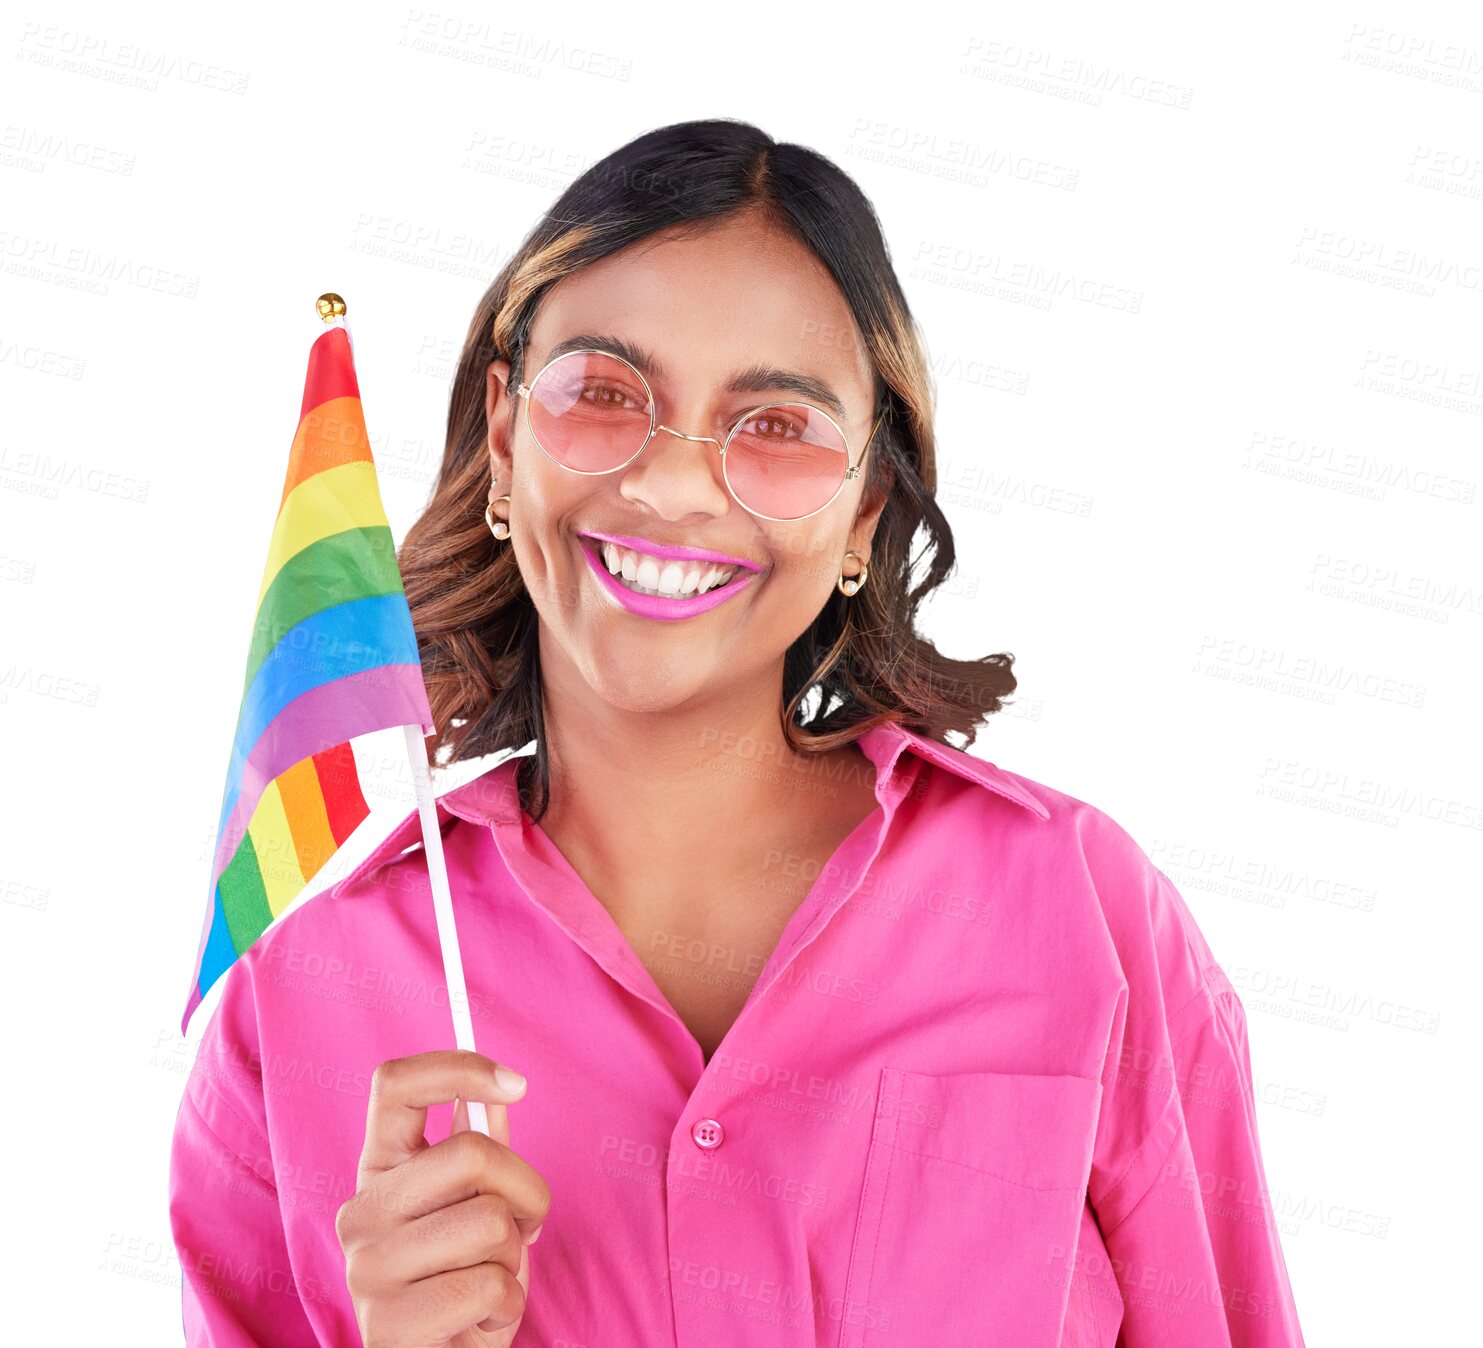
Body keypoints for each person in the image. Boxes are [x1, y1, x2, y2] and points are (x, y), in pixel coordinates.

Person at [169, 118, 1307, 1347]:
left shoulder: (1086, 914)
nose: (671, 487)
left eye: (775, 424)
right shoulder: (294, 1009)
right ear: (504, 443)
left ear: (866, 506)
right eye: (604, 395)